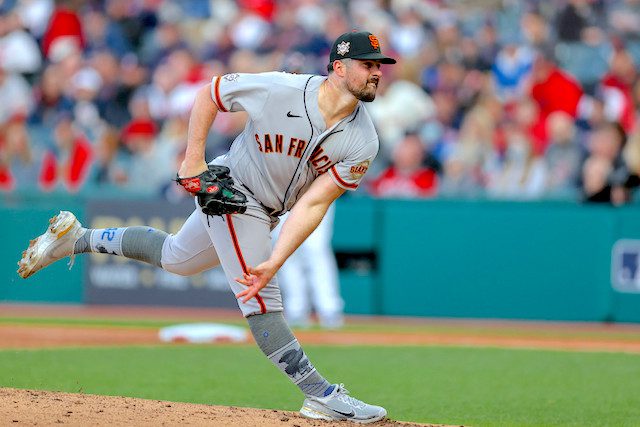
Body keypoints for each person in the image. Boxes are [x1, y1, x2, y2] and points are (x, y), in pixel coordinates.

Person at [17, 31, 395, 423]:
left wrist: (278, 257)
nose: (376, 73)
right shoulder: (283, 88)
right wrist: (192, 159)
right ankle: (321, 395)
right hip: (233, 192)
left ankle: (78, 238)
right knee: (260, 298)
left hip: (269, 211)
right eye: (368, 64)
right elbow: (211, 92)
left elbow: (314, 203)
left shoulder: (363, 140)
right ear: (338, 67)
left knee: (176, 258)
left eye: (378, 66)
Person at [272, 204, 344, 329]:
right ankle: (295, 310)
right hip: (284, 192)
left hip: (317, 189)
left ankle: (329, 309)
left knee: (315, 249)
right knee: (286, 250)